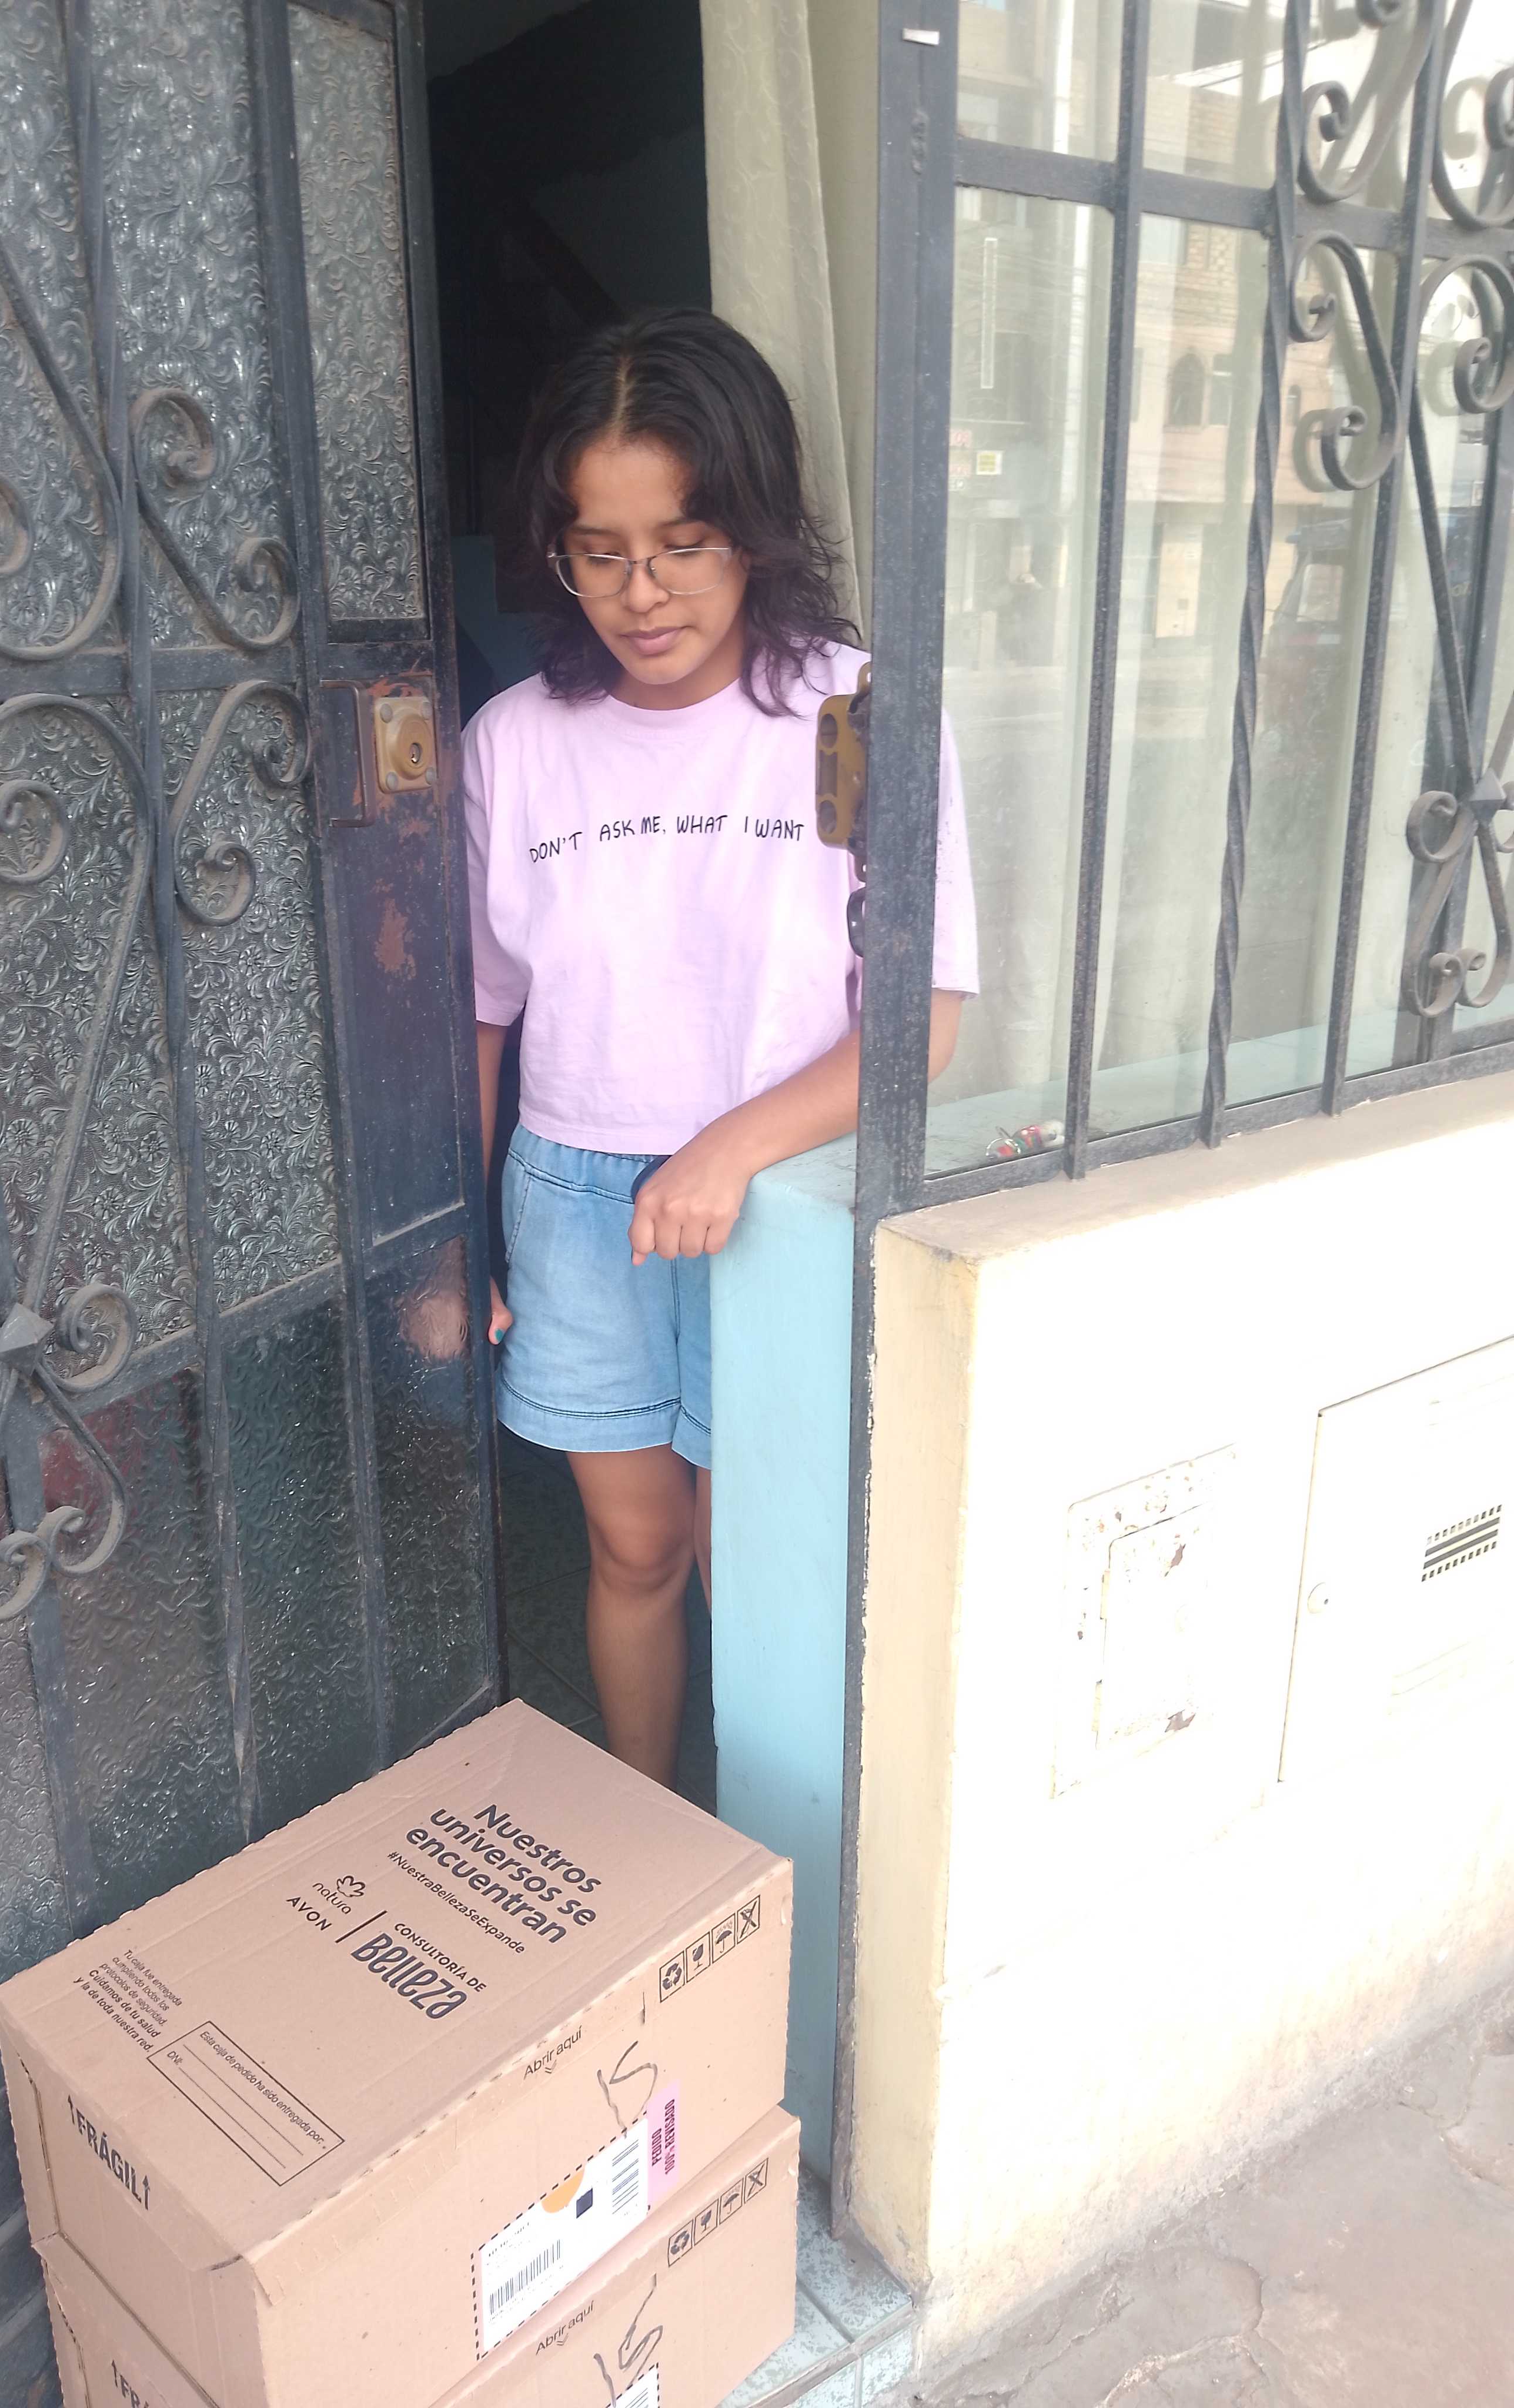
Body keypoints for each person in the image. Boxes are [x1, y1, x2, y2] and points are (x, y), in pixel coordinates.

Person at [464, 310, 977, 1787]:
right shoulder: (515, 741)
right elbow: (484, 1013)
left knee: (751, 1555)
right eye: (600, 551)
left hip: (783, 1193)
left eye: (684, 544)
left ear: (754, 528)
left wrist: (730, 1147)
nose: (643, 593)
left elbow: (923, 1015)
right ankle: (651, 1828)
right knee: (635, 1547)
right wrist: (464, 1239)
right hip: (577, 1196)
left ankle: (766, 1854)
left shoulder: (855, 713)